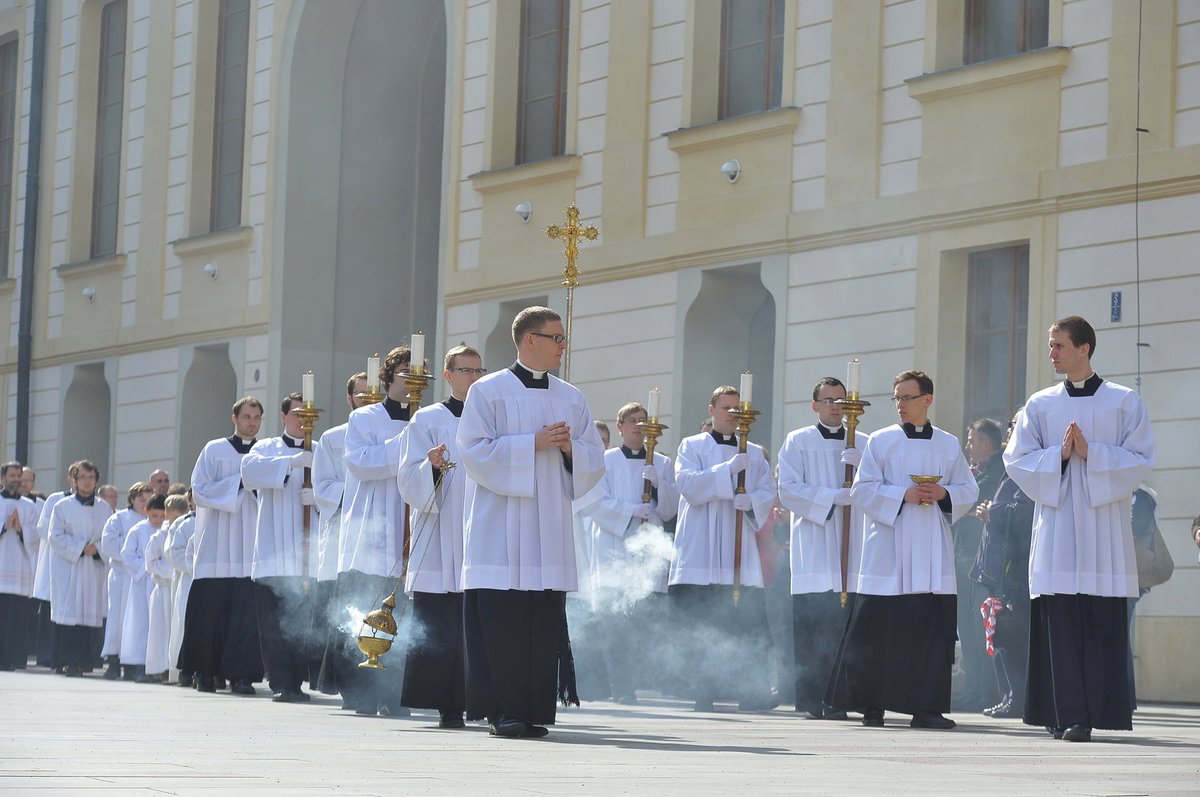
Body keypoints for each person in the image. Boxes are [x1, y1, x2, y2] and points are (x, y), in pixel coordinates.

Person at [1004, 315, 1155, 743]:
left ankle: (1101, 712)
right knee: (1062, 622)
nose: (1051, 353)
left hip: (1104, 529)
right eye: (1051, 346)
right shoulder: (1040, 404)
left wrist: (1094, 454)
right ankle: (1066, 714)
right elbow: (1016, 460)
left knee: (1099, 622)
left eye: (1059, 346)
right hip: (1057, 529)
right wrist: (1060, 456)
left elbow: (1142, 459)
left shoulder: (1124, 401)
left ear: (1084, 348)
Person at [457, 306, 605, 738]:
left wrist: (568, 451)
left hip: (548, 526)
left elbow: (594, 458)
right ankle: (501, 711)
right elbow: (472, 451)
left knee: (541, 622)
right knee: (502, 623)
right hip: (499, 526)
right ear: (529, 341)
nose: (563, 346)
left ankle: (535, 710)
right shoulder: (488, 391)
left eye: (563, 338)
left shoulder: (572, 397)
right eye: (556, 338)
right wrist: (532, 444)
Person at [826, 370, 978, 730]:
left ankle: (926, 708)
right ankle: (872, 705)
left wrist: (944, 494)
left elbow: (968, 489)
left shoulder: (948, 443)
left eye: (907, 398)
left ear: (927, 400)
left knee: (930, 630)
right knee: (879, 631)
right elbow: (862, 491)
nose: (900, 405)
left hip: (931, 548)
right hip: (889, 550)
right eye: (896, 398)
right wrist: (902, 495)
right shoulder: (880, 441)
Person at [669, 385, 778, 713]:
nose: (733, 413)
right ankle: (703, 691)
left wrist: (751, 503)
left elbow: (767, 491)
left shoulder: (755, 453)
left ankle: (748, 691)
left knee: (743, 623)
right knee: (701, 623)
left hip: (737, 548)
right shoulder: (691, 445)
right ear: (712, 409)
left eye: (738, 408)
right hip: (701, 545)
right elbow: (687, 486)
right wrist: (727, 472)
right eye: (726, 407)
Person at [396, 345, 485, 727]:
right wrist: (429, 468)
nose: (475, 378)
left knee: (478, 621)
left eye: (480, 371)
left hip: (481, 530)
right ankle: (446, 704)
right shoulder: (427, 419)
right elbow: (407, 478)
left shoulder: (491, 417)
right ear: (448, 375)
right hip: (440, 531)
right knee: (441, 619)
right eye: (467, 370)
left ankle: (479, 700)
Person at [776, 377, 868, 720]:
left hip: (854, 544)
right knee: (817, 626)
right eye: (828, 400)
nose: (835, 405)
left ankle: (847, 697)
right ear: (814, 405)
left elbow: (879, 486)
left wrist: (860, 467)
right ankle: (816, 698)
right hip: (815, 544)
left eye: (841, 400)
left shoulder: (865, 442)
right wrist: (833, 497)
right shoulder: (797, 441)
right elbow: (788, 489)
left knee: (849, 628)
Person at [337, 347, 414, 717]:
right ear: (387, 376)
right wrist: (407, 442)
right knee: (369, 613)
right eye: (404, 371)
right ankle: (363, 693)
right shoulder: (365, 417)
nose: (410, 378)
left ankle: (396, 694)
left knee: (407, 618)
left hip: (413, 525)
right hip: (375, 527)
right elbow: (361, 463)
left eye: (417, 373)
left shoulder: (428, 418)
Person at [586, 401, 678, 705]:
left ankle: (636, 682)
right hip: (614, 548)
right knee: (616, 625)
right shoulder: (606, 460)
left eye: (644, 420)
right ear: (620, 426)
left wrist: (659, 484)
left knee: (642, 624)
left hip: (648, 550)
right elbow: (597, 502)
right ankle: (620, 686)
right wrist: (629, 511)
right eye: (633, 420)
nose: (639, 426)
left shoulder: (662, 463)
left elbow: (668, 510)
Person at [180, 396, 265, 696]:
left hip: (248, 545)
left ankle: (242, 676)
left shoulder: (265, 452)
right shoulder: (214, 449)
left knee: (244, 616)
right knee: (210, 614)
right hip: (216, 544)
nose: (252, 422)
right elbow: (199, 491)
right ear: (234, 418)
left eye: (256, 417)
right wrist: (239, 484)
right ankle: (205, 672)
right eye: (246, 416)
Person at [241, 392, 319, 703]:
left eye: (308, 415)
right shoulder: (266, 447)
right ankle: (281, 682)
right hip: (274, 552)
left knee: (303, 621)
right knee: (274, 623)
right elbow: (249, 474)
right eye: (297, 413)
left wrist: (320, 497)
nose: (302, 420)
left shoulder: (320, 449)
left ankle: (299, 680)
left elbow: (337, 488)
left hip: (308, 553)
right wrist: (291, 463)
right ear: (283, 416)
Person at [971, 411, 1035, 719]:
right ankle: (1009, 694)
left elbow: (1026, 512)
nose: (1009, 430)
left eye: (1014, 425)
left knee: (1012, 634)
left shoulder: (1030, 464)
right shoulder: (1012, 464)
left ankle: (1018, 698)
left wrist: (992, 512)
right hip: (1001, 563)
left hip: (1018, 565)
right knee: (1000, 632)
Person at [310, 371, 367, 698]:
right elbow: (324, 489)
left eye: (371, 394)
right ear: (349, 399)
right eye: (360, 394)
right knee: (343, 610)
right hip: (343, 533)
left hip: (378, 537)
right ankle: (344, 683)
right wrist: (360, 490)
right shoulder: (333, 438)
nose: (366, 399)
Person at [952, 418, 1006, 712]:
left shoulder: (999, 471)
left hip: (980, 560)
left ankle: (988, 691)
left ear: (987, 443)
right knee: (967, 628)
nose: (968, 446)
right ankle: (974, 689)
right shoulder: (976, 472)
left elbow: (978, 506)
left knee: (981, 627)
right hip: (963, 557)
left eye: (972, 441)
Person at [46, 460, 112, 676]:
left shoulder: (104, 508)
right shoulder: (62, 506)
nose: (87, 481)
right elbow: (54, 536)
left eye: (91, 477)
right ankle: (67, 662)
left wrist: (98, 549)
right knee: (69, 615)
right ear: (74, 480)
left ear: (96, 481)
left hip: (92, 569)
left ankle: (85, 661)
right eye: (82, 477)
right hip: (69, 567)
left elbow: (110, 538)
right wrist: (81, 548)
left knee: (88, 614)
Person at [99, 482, 153, 680]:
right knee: (116, 620)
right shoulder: (119, 518)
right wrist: (132, 552)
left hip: (141, 578)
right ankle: (113, 661)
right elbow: (108, 543)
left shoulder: (153, 521)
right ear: (132, 499)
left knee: (137, 621)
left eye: (148, 499)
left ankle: (133, 662)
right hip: (122, 575)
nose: (144, 503)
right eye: (141, 499)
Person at [31, 464, 79, 667]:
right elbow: (43, 528)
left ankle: (68, 657)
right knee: (51, 611)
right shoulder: (55, 499)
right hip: (56, 560)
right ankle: (46, 655)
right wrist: (69, 540)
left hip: (79, 563)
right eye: (78, 477)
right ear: (70, 478)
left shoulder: (94, 505)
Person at [119, 494, 168, 683]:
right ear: (146, 512)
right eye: (154, 516)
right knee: (140, 624)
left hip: (160, 582)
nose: (158, 520)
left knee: (158, 625)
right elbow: (127, 555)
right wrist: (145, 568)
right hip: (142, 584)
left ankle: (157, 667)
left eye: (161, 516)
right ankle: (138, 665)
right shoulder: (137, 530)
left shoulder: (167, 530)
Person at [0, 462, 39, 670]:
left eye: (18, 476)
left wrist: (21, 529)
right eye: (12, 475)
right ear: (3, 478)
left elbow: (36, 537)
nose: (16, 479)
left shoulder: (30, 506)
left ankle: (14, 658)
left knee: (16, 618)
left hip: (20, 569)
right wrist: (4, 527)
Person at [145, 494, 187, 682]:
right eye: (173, 515)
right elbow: (150, 563)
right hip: (163, 588)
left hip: (179, 588)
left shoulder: (186, 532)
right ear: (167, 514)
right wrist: (169, 571)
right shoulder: (158, 537)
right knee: (162, 630)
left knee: (178, 628)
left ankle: (177, 668)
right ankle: (162, 667)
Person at [165, 491, 197, 687]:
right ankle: (185, 670)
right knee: (186, 625)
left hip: (215, 582)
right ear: (190, 499)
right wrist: (198, 566)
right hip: (189, 581)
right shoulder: (182, 524)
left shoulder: (223, 518)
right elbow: (173, 553)